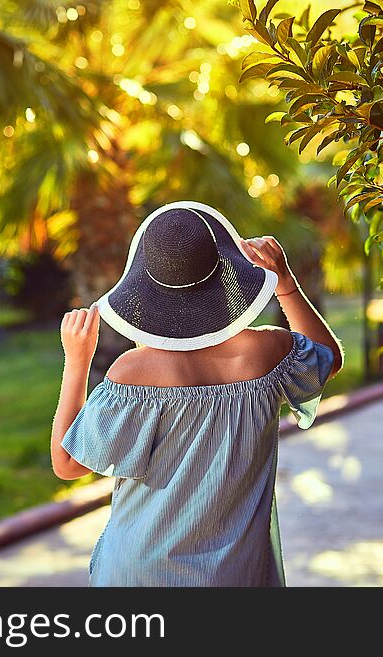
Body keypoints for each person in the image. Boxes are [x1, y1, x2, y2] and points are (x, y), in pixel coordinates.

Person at [50, 201, 343, 586]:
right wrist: (285, 285)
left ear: (145, 284)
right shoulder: (267, 353)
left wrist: (77, 362)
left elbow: (68, 464)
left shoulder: (134, 374)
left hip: (141, 574)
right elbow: (329, 358)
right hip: (236, 576)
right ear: (226, 270)